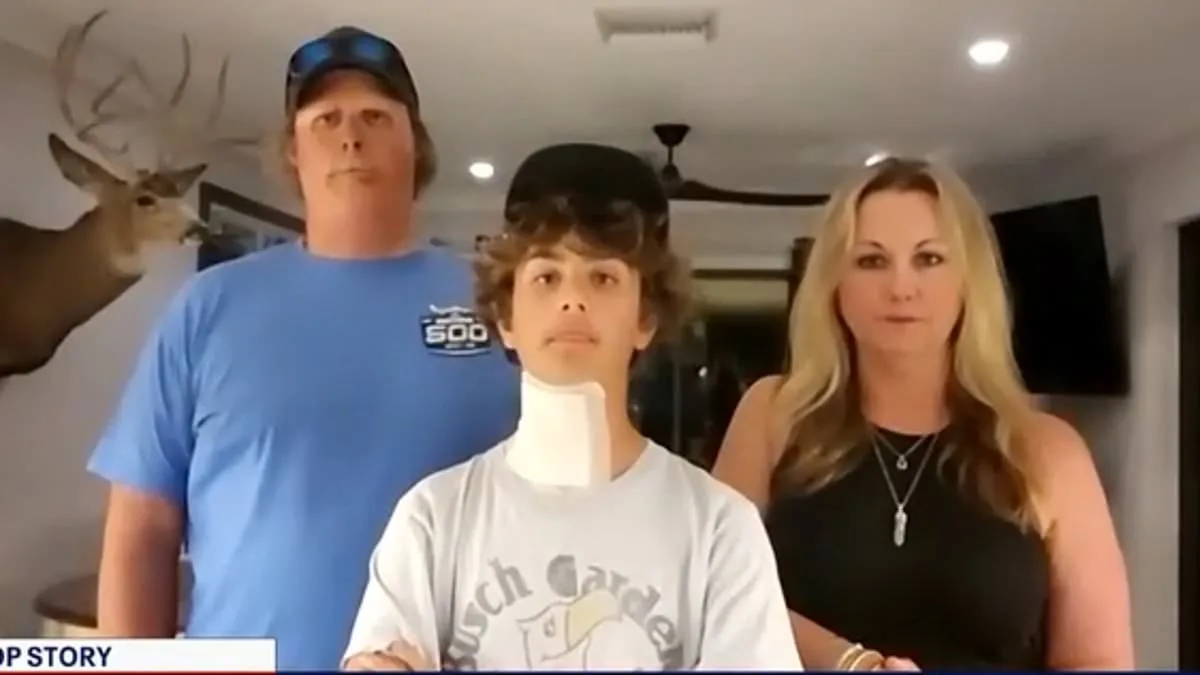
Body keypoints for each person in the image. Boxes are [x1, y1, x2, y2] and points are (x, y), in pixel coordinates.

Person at [86, 26, 519, 670]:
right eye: (325, 120)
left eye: (375, 116)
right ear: (293, 150)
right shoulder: (209, 307)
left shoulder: (496, 304)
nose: (351, 137)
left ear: (416, 143)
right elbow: (142, 528)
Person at [341, 143, 803, 671]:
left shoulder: (720, 529)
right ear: (506, 319)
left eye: (602, 277)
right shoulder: (432, 518)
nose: (572, 300)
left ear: (644, 320)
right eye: (547, 276)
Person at [713, 157, 1134, 670]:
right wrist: (852, 664)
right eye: (871, 260)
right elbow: (714, 598)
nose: (901, 288)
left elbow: (1099, 661)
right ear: (833, 283)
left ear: (968, 280)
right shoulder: (772, 415)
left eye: (929, 258)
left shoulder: (1047, 449)